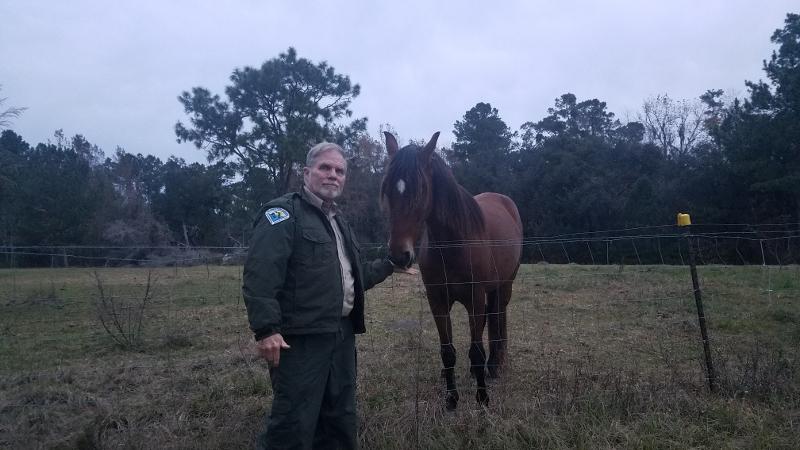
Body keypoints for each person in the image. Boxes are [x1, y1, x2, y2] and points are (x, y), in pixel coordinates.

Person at [243, 142, 410, 449]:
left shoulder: (339, 222)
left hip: (342, 336)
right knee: (293, 423)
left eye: (340, 170)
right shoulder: (282, 214)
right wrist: (266, 329)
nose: (333, 175)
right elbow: (260, 275)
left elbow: (354, 276)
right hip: (300, 340)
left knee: (340, 419)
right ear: (306, 173)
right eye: (325, 168)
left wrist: (389, 264)